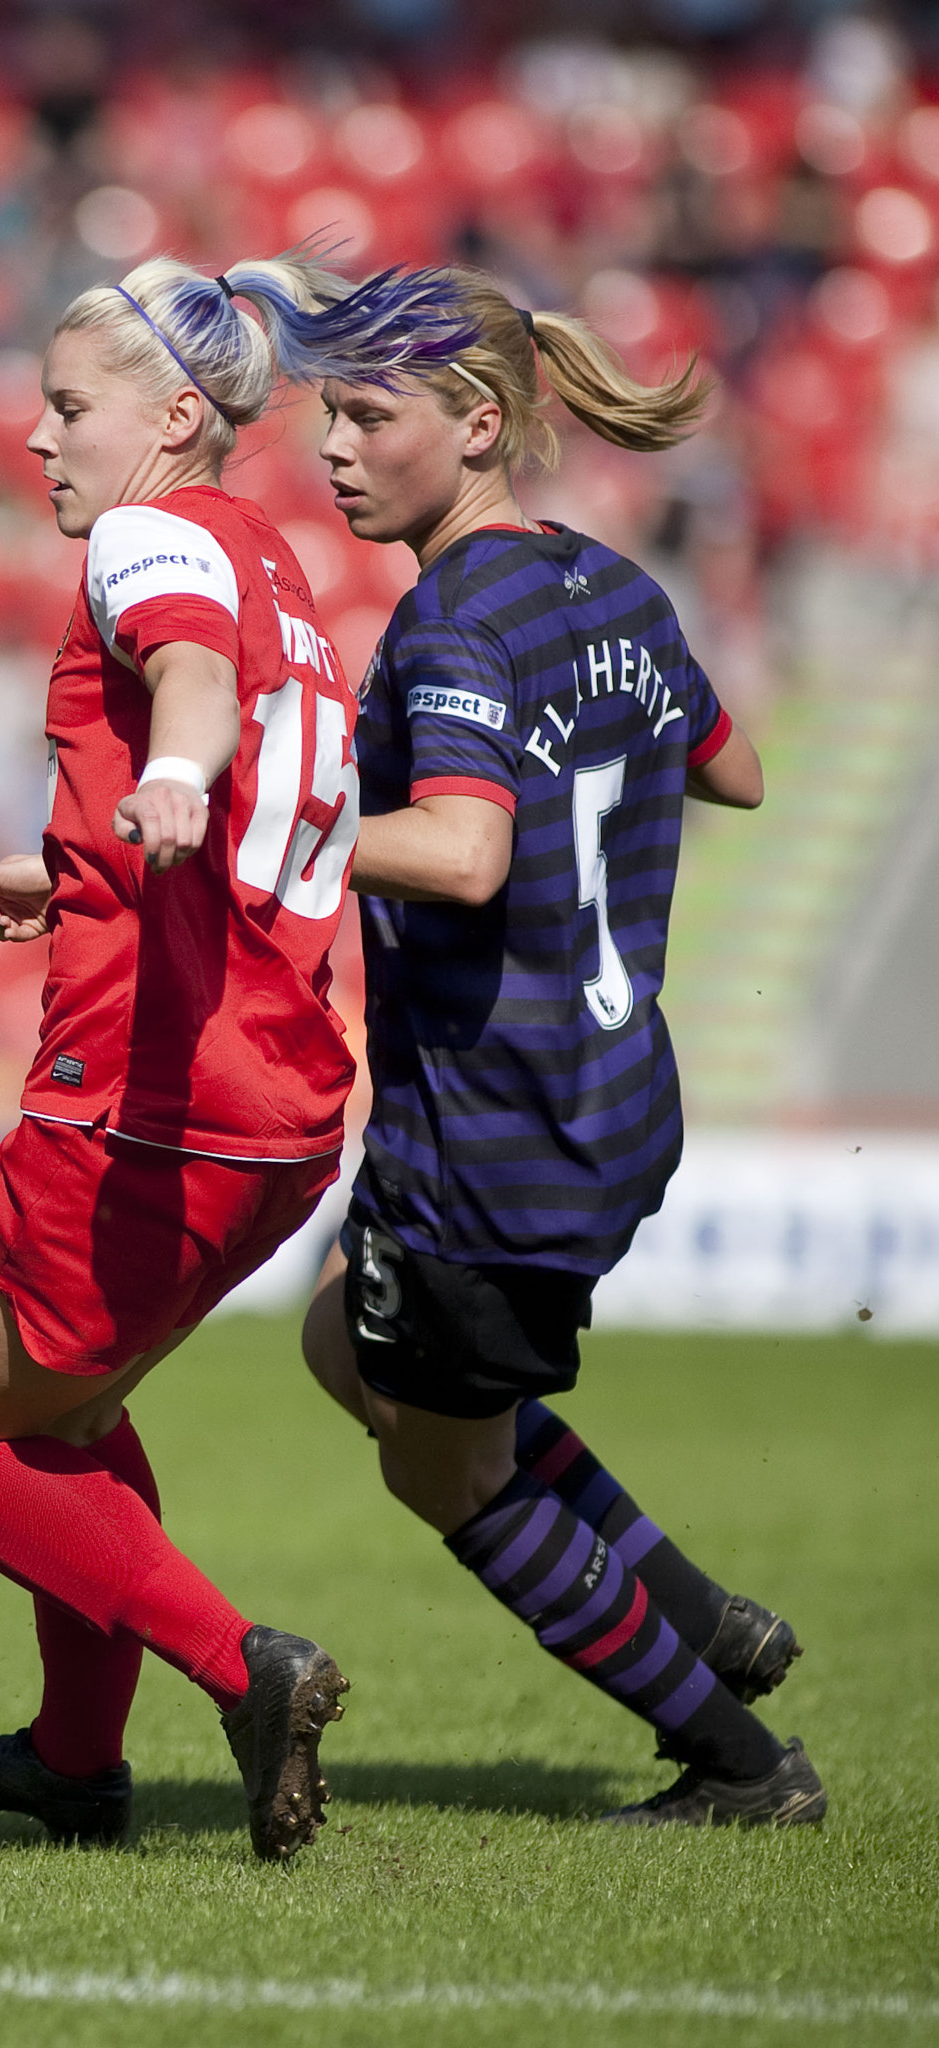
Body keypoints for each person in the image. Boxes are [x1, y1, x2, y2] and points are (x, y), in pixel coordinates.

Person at [0, 254, 471, 1861]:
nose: (34, 436)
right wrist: (76, 859)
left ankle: (240, 1668)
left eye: (64, 405)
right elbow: (226, 709)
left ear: (169, 415)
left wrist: (173, 782)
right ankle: (77, 1763)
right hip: (278, 1102)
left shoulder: (147, 536)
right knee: (66, 1420)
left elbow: (193, 693)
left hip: (145, 1095)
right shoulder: (268, 555)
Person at [302, 271, 826, 1828]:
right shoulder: (607, 582)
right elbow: (730, 769)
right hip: (606, 1101)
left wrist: (283, 827)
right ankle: (698, 1609)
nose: (331, 445)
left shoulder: (453, 617)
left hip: (500, 1124)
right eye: (328, 411)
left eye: (366, 415)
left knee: (437, 1473)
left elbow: (460, 856)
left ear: (476, 426)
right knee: (346, 1341)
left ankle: (735, 1759)